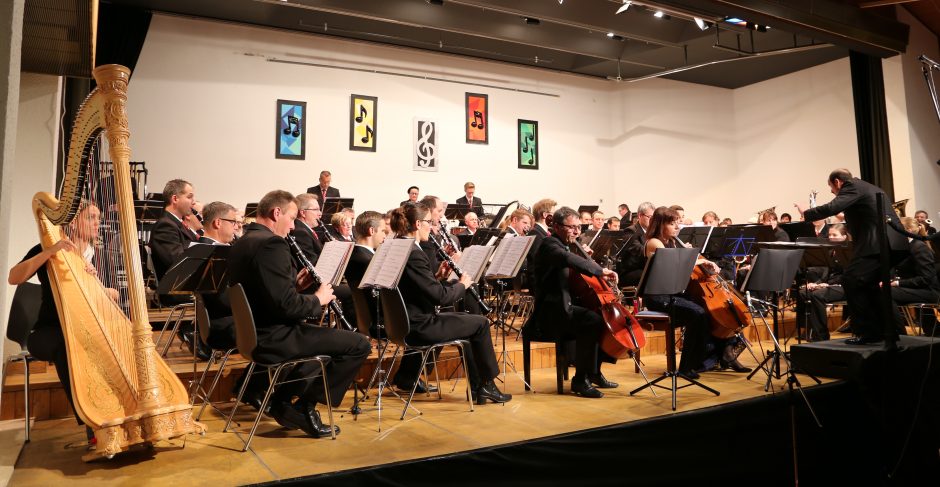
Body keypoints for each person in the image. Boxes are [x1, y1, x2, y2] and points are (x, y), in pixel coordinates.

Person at [228, 190, 370, 438]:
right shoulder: (271, 244)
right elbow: (287, 307)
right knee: (358, 344)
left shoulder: (244, 241)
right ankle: (304, 407)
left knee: (326, 344)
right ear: (276, 213)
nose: (293, 227)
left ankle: (284, 403)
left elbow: (268, 293)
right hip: (274, 335)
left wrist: (294, 286)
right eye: (292, 218)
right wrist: (318, 299)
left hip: (254, 333)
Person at [8, 202, 115, 443]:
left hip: (86, 329)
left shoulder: (101, 255)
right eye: (91, 218)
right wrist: (48, 252)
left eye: (99, 217)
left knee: (103, 345)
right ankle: (94, 428)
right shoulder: (49, 249)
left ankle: (119, 416)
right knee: (69, 346)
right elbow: (14, 277)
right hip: (47, 332)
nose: (98, 223)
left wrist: (96, 284)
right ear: (73, 222)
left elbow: (115, 295)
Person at [390, 202, 510, 404]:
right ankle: (485, 385)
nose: (433, 225)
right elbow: (440, 298)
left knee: (469, 320)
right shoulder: (413, 253)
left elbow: (416, 287)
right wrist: (461, 285)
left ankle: (480, 386)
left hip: (403, 322)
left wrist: (438, 276)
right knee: (479, 323)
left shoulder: (399, 247)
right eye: (429, 222)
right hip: (419, 325)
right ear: (418, 224)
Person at [524, 206, 620, 398]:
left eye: (579, 227)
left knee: (600, 318)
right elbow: (566, 259)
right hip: (549, 312)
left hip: (563, 306)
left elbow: (570, 267)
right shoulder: (549, 244)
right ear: (557, 226)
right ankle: (580, 380)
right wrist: (600, 271)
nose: (577, 231)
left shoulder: (564, 244)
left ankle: (593, 372)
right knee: (592, 320)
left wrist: (586, 259)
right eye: (572, 227)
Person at [643, 206, 749, 375]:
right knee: (698, 313)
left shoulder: (672, 242)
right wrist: (695, 259)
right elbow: (673, 264)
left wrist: (694, 256)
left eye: (678, 223)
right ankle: (687, 367)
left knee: (713, 310)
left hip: (674, 293)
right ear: (661, 224)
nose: (677, 227)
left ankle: (715, 356)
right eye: (673, 223)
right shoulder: (654, 242)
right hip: (658, 297)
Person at [798, 168, 899, 345]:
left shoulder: (851, 187)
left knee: (851, 280)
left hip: (875, 245)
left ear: (837, 182)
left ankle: (867, 333)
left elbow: (832, 207)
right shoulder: (866, 187)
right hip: (887, 243)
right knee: (871, 287)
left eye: (831, 188)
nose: (832, 192)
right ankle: (887, 331)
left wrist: (807, 214)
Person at [794, 224, 850, 342]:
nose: (831, 237)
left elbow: (846, 275)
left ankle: (821, 335)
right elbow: (827, 274)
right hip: (832, 285)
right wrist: (817, 283)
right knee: (804, 292)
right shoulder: (831, 251)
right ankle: (810, 330)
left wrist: (828, 285)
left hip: (846, 286)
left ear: (844, 237)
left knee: (817, 295)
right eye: (829, 235)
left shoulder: (848, 251)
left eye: (835, 235)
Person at [890, 217, 939, 335]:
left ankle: (899, 334)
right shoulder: (905, 247)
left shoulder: (919, 247)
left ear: (908, 230)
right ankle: (932, 330)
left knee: (885, 292)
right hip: (916, 288)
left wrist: (897, 283)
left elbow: (926, 278)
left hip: (929, 291)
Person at [150, 179, 198, 281]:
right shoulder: (165, 225)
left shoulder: (177, 223)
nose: (194, 202)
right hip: (177, 290)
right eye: (189, 197)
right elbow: (177, 261)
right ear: (175, 199)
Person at [617, 201, 654, 286]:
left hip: (645, 268)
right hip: (632, 271)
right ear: (640, 215)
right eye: (650, 217)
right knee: (654, 275)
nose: (652, 220)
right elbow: (640, 252)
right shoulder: (630, 231)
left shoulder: (652, 232)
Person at [290, 193, 324, 264]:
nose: (320, 213)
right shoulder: (300, 232)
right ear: (303, 213)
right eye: (316, 209)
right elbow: (313, 262)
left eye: (319, 209)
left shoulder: (305, 229)